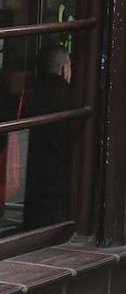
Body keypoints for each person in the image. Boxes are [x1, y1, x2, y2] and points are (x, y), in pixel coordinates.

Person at [21, 44, 73, 230]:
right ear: (64, 69)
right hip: (61, 193)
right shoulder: (73, 99)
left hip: (29, 191)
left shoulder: (27, 95)